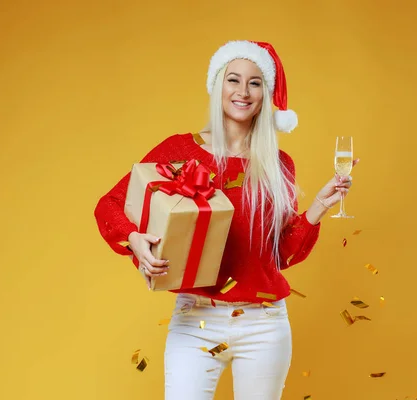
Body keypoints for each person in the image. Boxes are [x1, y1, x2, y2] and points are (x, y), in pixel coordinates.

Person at [94, 40, 358, 400]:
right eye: (234, 79)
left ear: (265, 95)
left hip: (265, 324)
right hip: (195, 319)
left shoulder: (279, 165)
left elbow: (280, 257)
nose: (243, 91)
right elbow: (110, 204)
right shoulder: (179, 151)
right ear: (217, 86)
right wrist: (135, 241)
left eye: (255, 83)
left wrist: (317, 210)